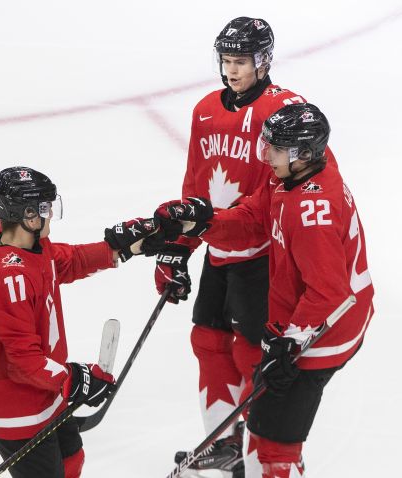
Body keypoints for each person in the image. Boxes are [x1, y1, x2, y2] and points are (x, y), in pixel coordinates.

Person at [155, 103, 374, 477]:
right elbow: (253, 217)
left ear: (303, 153)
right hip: (314, 319)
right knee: (264, 431)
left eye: (275, 148)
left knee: (273, 449)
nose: (265, 154)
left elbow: (328, 293)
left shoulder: (312, 211)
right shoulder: (290, 178)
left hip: (326, 331)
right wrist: (203, 222)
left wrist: (290, 342)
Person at [151, 16, 307, 477]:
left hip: (262, 257)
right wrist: (179, 247)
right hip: (220, 251)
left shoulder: (283, 110)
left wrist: (216, 225)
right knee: (207, 340)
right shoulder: (205, 109)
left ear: (263, 60)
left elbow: (275, 192)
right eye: (226, 60)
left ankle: (260, 450)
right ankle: (222, 442)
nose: (231, 70)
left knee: (251, 353)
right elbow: (196, 184)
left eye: (240, 61)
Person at [0, 166, 158, 478]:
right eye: (44, 208)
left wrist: (116, 249)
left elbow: (61, 262)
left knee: (71, 457)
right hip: (17, 404)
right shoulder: (8, 279)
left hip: (39, 389)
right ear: (27, 215)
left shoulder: (14, 240)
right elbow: (23, 361)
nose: (50, 214)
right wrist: (74, 380)